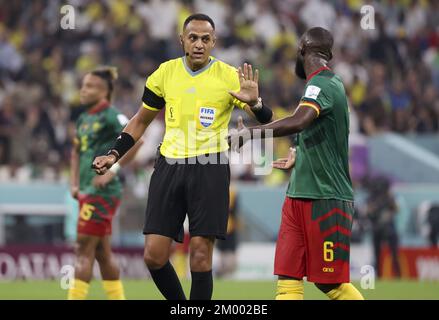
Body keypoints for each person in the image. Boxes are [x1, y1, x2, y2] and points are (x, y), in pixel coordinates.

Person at [91, 13, 272, 300]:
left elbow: (265, 119)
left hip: (209, 167)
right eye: (193, 38)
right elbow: (140, 121)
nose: (199, 44)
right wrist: (114, 154)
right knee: (154, 256)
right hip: (169, 166)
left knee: (200, 255)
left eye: (205, 39)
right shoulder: (164, 73)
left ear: (214, 42)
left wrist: (257, 103)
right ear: (182, 40)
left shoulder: (228, 75)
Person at [229, 27, 364, 300]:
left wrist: (252, 133)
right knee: (288, 279)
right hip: (298, 194)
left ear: (302, 48)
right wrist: (298, 153)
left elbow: (300, 120)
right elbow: (314, 129)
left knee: (330, 283)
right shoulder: (320, 87)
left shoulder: (324, 84)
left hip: (326, 196)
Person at [68, 67, 142, 300]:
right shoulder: (83, 118)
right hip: (87, 191)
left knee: (82, 248)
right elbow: (76, 152)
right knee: (101, 252)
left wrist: (113, 171)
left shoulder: (112, 115)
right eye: (83, 84)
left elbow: (136, 142)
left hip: (103, 192)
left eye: (89, 86)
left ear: (103, 91)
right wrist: (74, 184)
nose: (83, 90)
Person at [366, 175, 401, 278]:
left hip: (389, 228)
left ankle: (397, 275)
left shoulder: (389, 197)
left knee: (394, 253)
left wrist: (389, 203)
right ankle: (378, 275)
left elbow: (396, 209)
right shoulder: (372, 198)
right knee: (377, 254)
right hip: (377, 228)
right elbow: (368, 213)